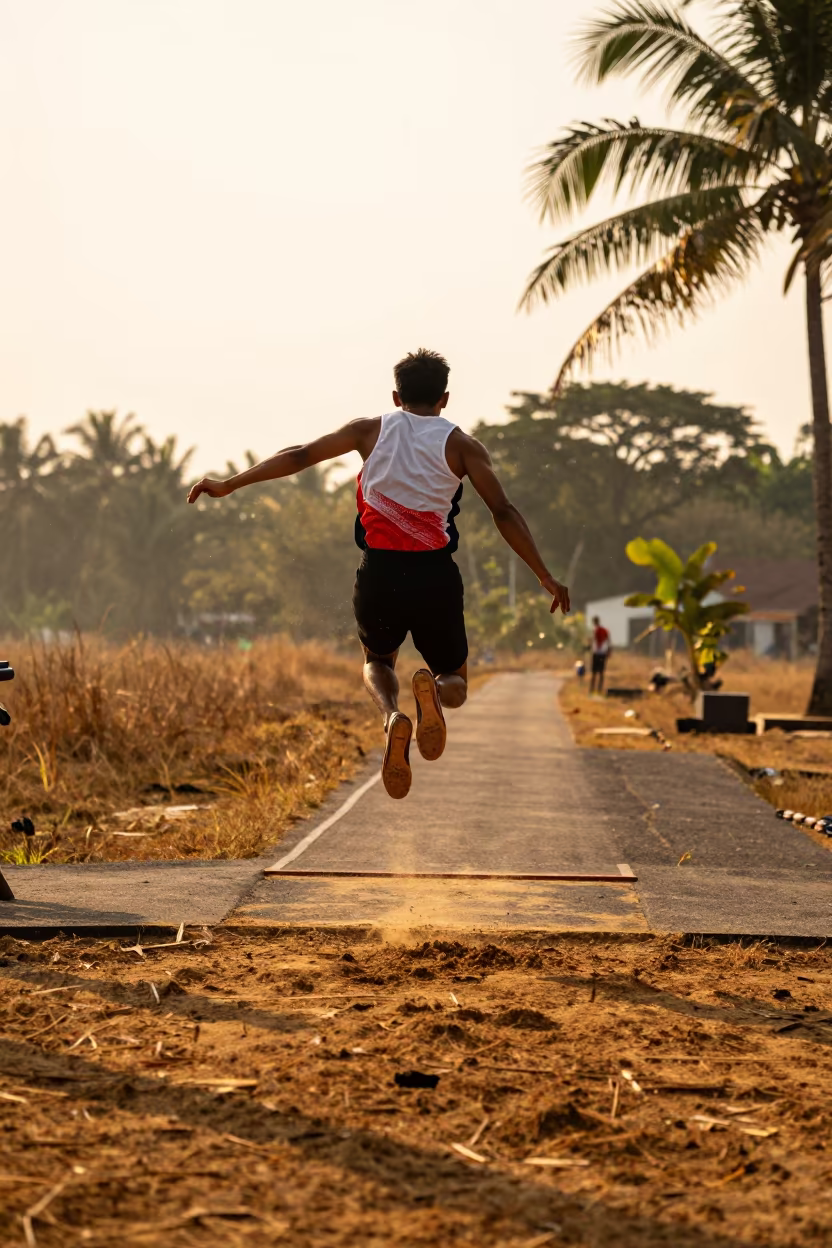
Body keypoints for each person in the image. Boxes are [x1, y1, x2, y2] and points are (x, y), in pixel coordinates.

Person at [187, 349, 570, 799]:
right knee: (457, 680)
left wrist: (230, 483)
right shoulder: (463, 446)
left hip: (379, 570)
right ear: (444, 399)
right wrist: (543, 574)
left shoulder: (368, 431)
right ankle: (435, 691)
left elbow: (300, 455)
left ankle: (392, 717)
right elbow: (503, 511)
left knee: (376, 661)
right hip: (435, 575)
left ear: (396, 395)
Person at [589, 615, 611, 695]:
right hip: (602, 653)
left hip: (597, 653)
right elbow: (608, 640)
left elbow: (593, 640)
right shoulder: (603, 630)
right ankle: (598, 690)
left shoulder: (596, 630)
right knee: (600, 673)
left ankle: (593, 690)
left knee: (594, 673)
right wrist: (609, 650)